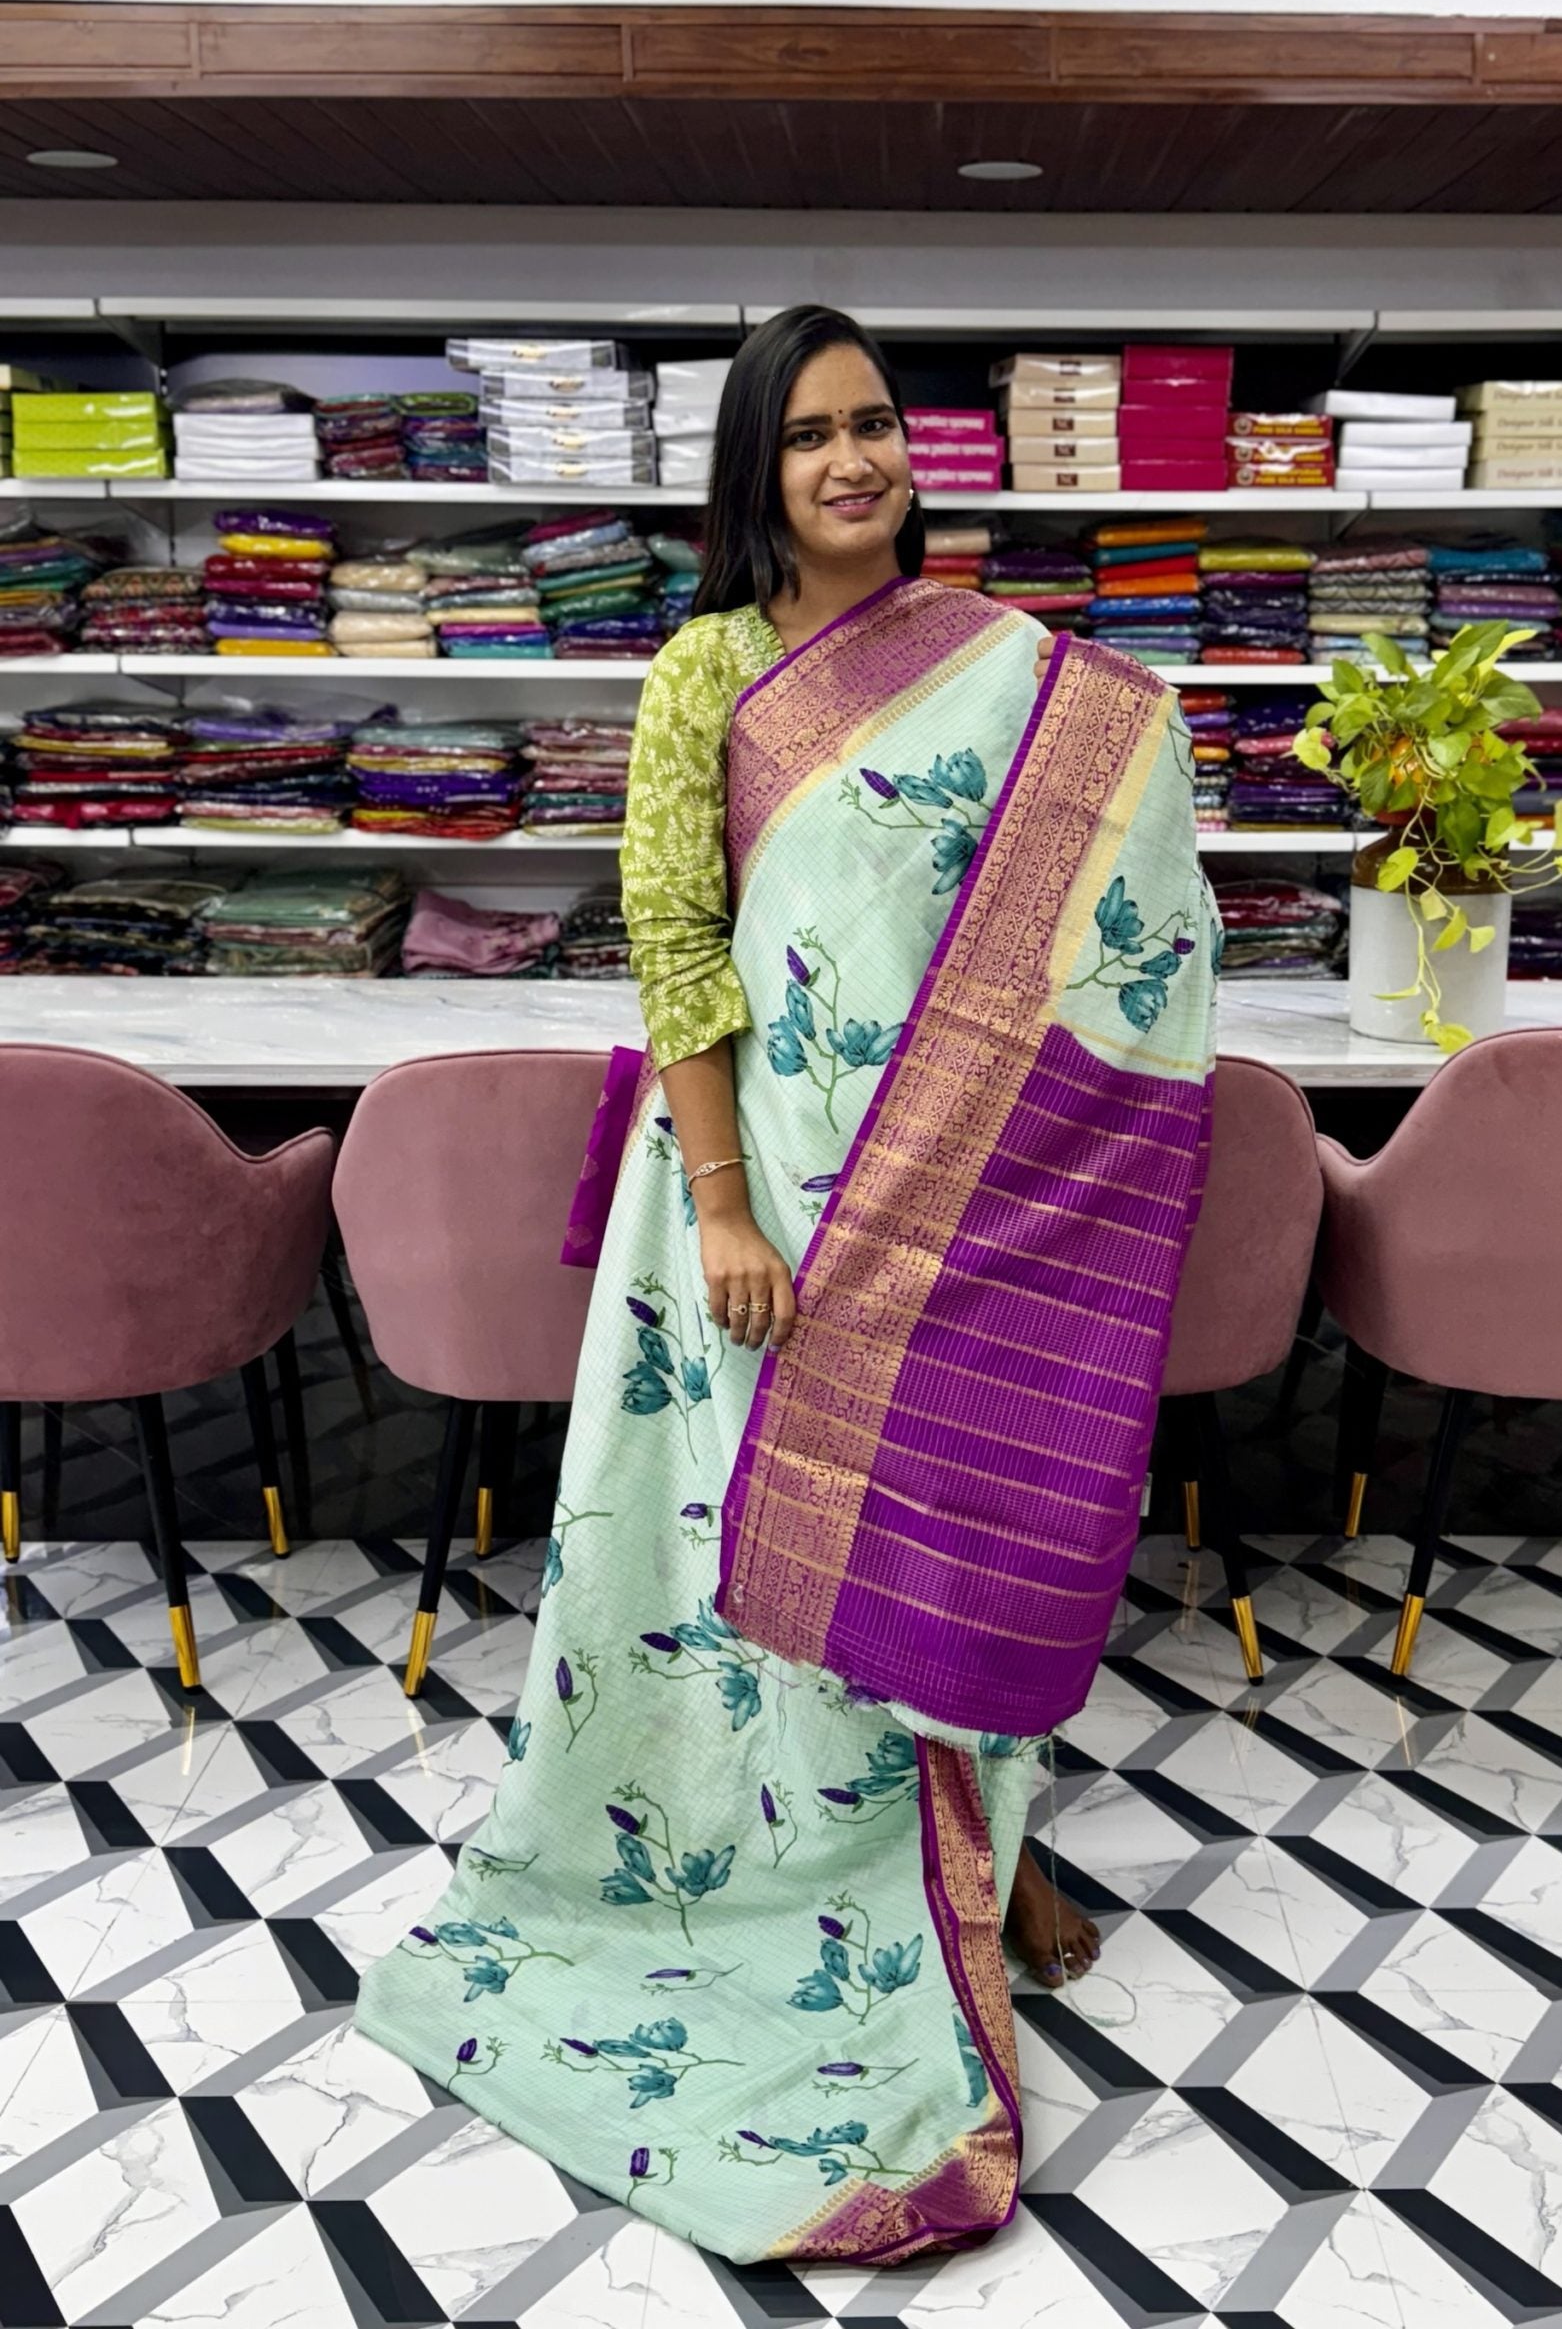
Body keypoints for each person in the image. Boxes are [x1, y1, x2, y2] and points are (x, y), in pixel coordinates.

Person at [354, 306, 1218, 2263]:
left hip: (963, 1195)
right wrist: (731, 1206)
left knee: (955, 1525)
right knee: (750, 1563)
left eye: (878, 423)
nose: (854, 460)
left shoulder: (1016, 674)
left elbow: (1092, 918)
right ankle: (796, 1870)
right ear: (758, 468)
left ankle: (975, 1853)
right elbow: (676, 938)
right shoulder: (707, 671)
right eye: (812, 432)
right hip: (760, 1211)